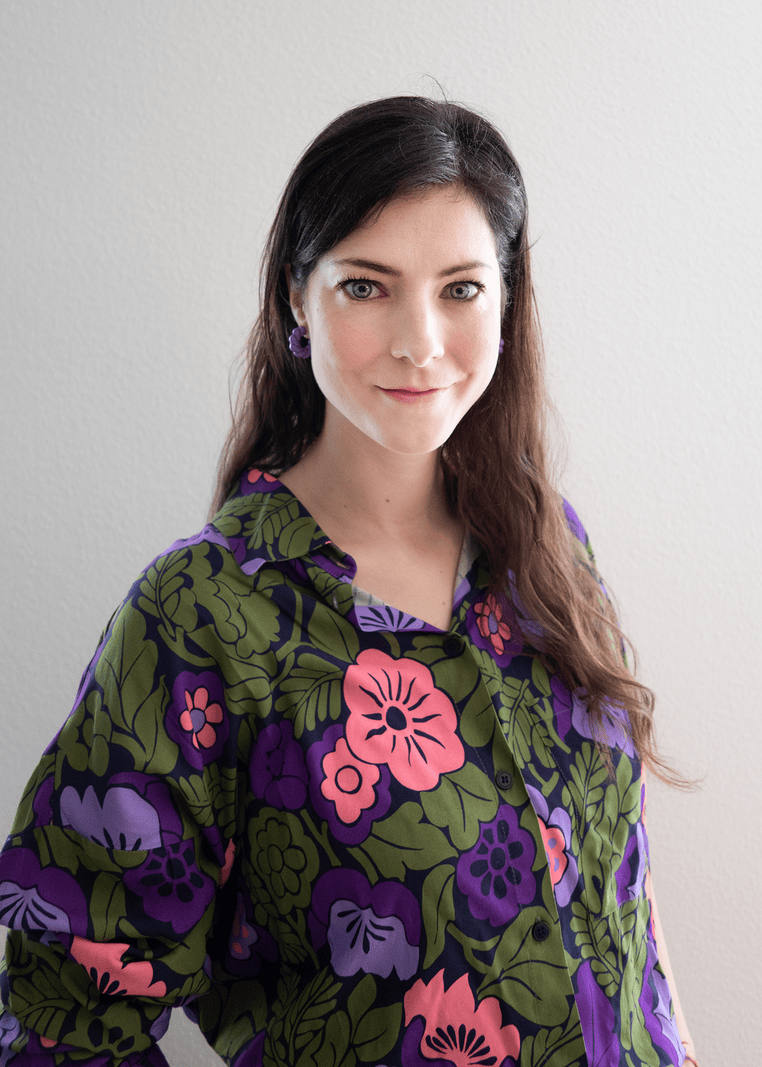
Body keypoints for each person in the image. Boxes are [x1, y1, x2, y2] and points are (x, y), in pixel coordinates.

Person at [0, 96, 697, 1067]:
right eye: (367, 286)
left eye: (460, 288)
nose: (420, 339)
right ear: (298, 295)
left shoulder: (548, 547)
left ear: (507, 298)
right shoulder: (205, 616)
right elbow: (66, 1011)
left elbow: (626, 905)